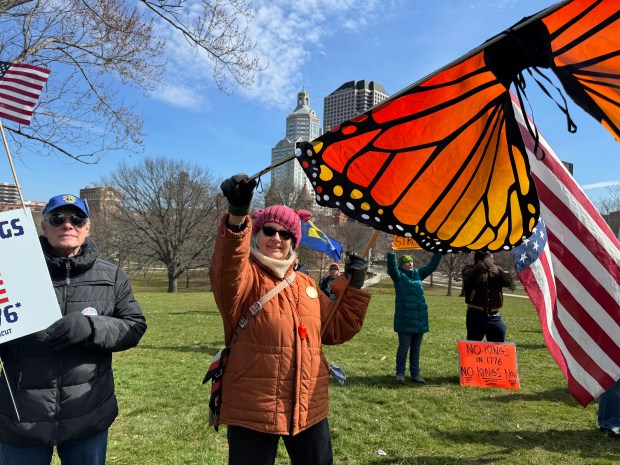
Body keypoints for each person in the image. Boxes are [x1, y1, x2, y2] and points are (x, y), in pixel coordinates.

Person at [210, 174, 371, 465]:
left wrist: (354, 287)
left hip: (309, 405)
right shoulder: (245, 278)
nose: (277, 238)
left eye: (286, 234)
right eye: (269, 230)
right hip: (255, 408)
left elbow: (336, 329)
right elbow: (228, 264)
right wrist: (237, 215)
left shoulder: (306, 284)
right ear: (256, 234)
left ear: (294, 241)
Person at [0, 194, 147, 465]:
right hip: (21, 419)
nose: (68, 225)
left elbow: (134, 327)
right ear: (43, 226)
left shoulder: (112, 276)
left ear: (87, 227)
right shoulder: (11, 271)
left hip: (87, 416)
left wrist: (91, 327)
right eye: (57, 218)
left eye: (77, 219)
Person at [387, 252, 442, 384]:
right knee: (404, 347)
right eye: (406, 262)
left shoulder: (418, 274)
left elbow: (432, 266)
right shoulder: (399, 277)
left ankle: (415, 374)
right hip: (405, 319)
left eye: (411, 261)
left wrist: (439, 251)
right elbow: (392, 269)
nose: (410, 263)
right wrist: (391, 254)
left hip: (419, 319)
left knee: (416, 349)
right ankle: (400, 373)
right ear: (401, 265)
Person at [461, 251, 512, 342]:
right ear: (481, 260)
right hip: (475, 315)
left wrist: (499, 274)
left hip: (494, 316)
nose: (493, 260)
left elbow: (508, 282)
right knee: (473, 342)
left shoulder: (496, 270)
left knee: (498, 340)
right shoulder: (468, 269)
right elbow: (469, 277)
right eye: (489, 258)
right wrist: (483, 267)